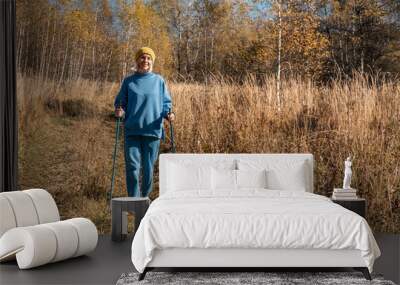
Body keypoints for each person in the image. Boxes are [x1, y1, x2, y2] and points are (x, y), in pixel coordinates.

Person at [114, 47, 175, 197]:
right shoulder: (129, 81)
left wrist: (169, 114)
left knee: (148, 168)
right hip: (132, 130)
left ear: (152, 61)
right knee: (133, 167)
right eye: (142, 57)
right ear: (137, 60)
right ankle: (134, 201)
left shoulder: (159, 81)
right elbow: (120, 102)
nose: (145, 61)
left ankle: (144, 198)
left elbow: (166, 103)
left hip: (152, 130)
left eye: (148, 58)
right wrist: (119, 110)